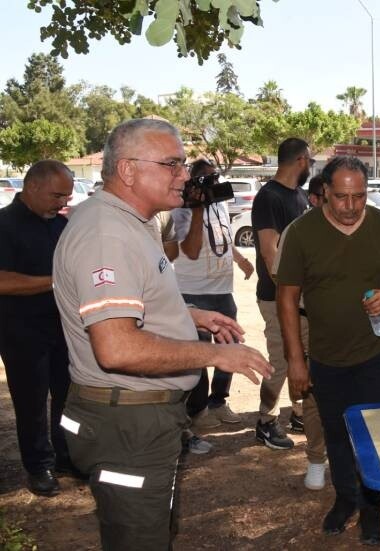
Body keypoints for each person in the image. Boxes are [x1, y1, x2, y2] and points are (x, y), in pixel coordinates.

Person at [51, 118, 271, 549]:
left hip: (137, 418)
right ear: (128, 170)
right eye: (172, 164)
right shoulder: (106, 234)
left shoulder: (132, 222)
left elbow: (134, 301)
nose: (185, 176)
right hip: (128, 424)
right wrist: (213, 356)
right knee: (139, 539)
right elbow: (116, 347)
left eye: (184, 164)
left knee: (148, 529)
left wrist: (190, 314)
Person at [277, 155, 380, 545]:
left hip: (375, 352)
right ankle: (345, 499)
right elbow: (286, 296)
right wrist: (295, 360)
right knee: (337, 434)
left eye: (358, 196)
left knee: (374, 435)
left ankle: (372, 509)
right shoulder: (302, 232)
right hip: (325, 356)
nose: (351, 206)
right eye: (341, 197)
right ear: (324, 192)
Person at [0, 160, 75, 496]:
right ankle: (39, 465)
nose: (63, 203)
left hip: (64, 327)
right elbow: (3, 281)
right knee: (31, 403)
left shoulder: (60, 225)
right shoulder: (4, 225)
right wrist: (58, 282)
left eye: (67, 196)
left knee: (68, 397)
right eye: (57, 195)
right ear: (32, 187)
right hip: (21, 332)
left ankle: (66, 456)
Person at [171, 159, 255, 454]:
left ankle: (218, 401)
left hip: (222, 288)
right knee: (197, 355)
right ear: (192, 183)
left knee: (230, 343)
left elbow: (223, 237)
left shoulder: (218, 201)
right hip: (193, 290)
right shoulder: (180, 209)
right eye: (204, 179)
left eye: (214, 177)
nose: (212, 183)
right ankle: (197, 413)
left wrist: (242, 259)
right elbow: (191, 250)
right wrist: (196, 210)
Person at [251, 137, 314, 450]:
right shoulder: (268, 197)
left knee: (300, 355)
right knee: (280, 359)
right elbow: (268, 251)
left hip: (298, 297)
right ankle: (265, 421)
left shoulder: (299, 195)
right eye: (310, 161)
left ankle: (298, 412)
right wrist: (290, 295)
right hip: (277, 296)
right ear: (301, 159)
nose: (310, 166)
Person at [270, 174, 329, 491]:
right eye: (323, 195)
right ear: (314, 198)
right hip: (309, 321)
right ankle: (316, 459)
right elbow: (284, 285)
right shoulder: (297, 232)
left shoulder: (358, 226)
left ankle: (353, 457)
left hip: (352, 325)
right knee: (313, 391)